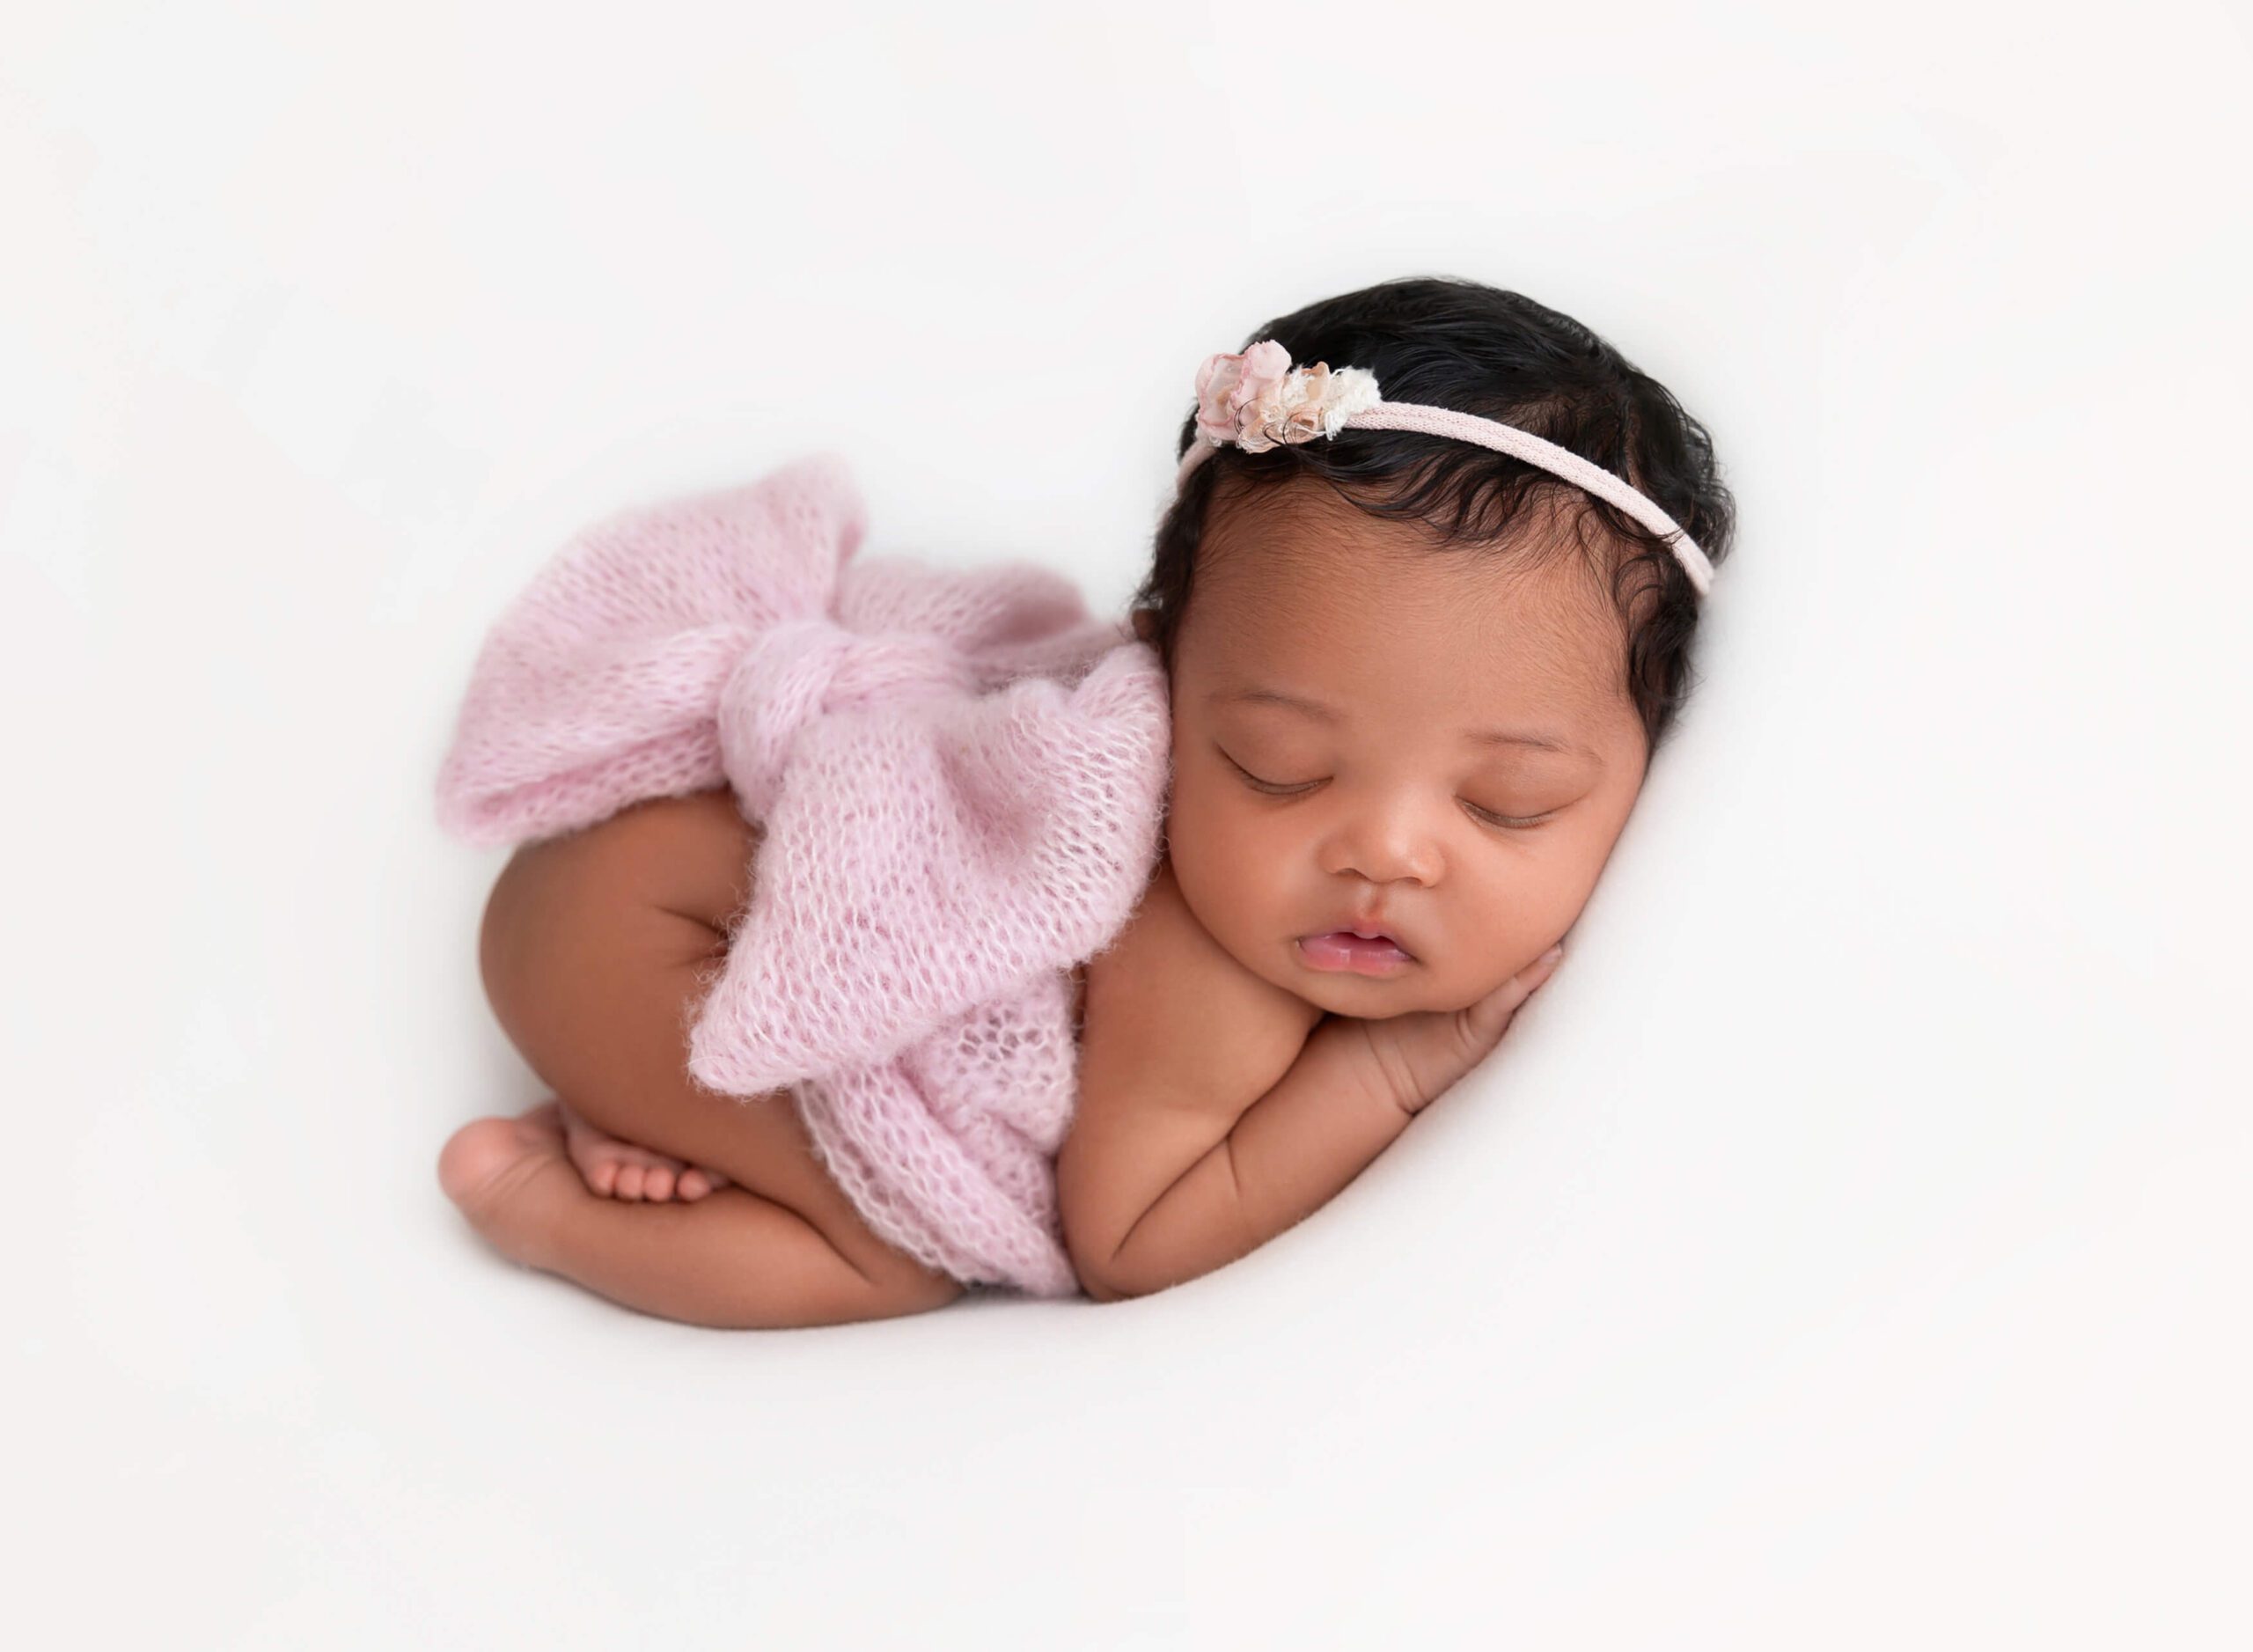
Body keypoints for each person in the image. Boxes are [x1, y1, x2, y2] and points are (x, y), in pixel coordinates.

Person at [435, 273, 1736, 1325]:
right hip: (636, 926)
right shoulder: (1210, 964)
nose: (1386, 849)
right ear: (1166, 669)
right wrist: (1393, 1065)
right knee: (887, 1258)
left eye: (1508, 800)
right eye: (1276, 768)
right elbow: (1131, 1238)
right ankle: (533, 1197)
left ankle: (644, 1101)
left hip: (667, 905)